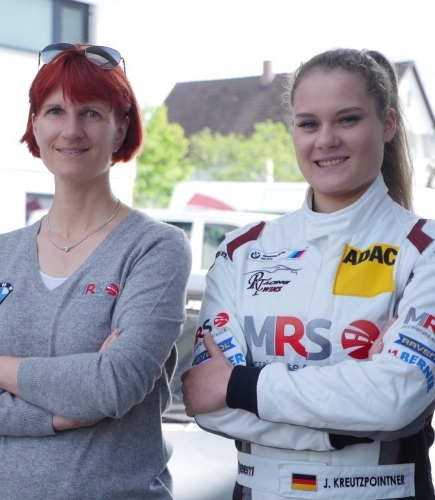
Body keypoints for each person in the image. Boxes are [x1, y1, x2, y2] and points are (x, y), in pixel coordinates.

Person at [0, 43, 191, 499]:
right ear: (35, 124)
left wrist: (0, 370)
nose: (71, 130)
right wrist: (54, 415)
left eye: (91, 113)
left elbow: (113, 385)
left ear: (120, 128)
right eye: (55, 111)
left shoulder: (155, 248)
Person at [181, 48, 435, 499]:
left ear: (389, 124)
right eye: (309, 123)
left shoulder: (424, 250)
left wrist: (240, 385)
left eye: (348, 119)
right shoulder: (244, 250)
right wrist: (350, 427)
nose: (326, 139)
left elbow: (395, 397)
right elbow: (208, 403)